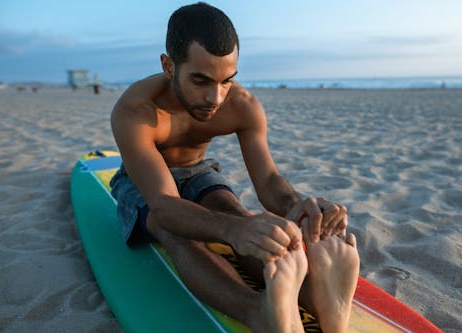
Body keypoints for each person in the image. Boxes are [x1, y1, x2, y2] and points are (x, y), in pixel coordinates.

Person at [110, 3, 359, 332]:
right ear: (169, 66)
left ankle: (314, 296)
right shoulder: (136, 110)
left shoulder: (241, 105)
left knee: (235, 212)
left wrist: (296, 206)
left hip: (198, 171)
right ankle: (257, 311)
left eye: (227, 80)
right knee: (171, 227)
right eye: (200, 80)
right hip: (143, 184)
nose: (216, 97)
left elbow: (268, 179)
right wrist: (230, 231)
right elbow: (165, 204)